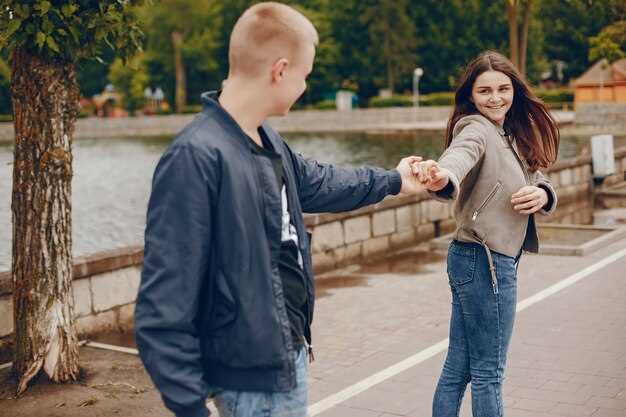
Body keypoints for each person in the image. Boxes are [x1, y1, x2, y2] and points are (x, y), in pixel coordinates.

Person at [134, 3, 425, 417]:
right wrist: (192, 409)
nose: (305, 87)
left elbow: (322, 182)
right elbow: (161, 310)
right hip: (247, 378)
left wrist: (395, 180)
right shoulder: (195, 157)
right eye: (305, 76)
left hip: (286, 355)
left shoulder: (267, 139)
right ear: (280, 70)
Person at [413, 50, 560, 417]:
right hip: (486, 263)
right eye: (484, 91)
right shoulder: (476, 128)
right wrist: (442, 176)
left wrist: (542, 194)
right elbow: (459, 156)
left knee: (459, 368)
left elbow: (536, 175)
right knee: (488, 373)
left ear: (515, 90)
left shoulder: (508, 131)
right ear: (471, 97)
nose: (495, 98)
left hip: (474, 260)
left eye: (503, 89)